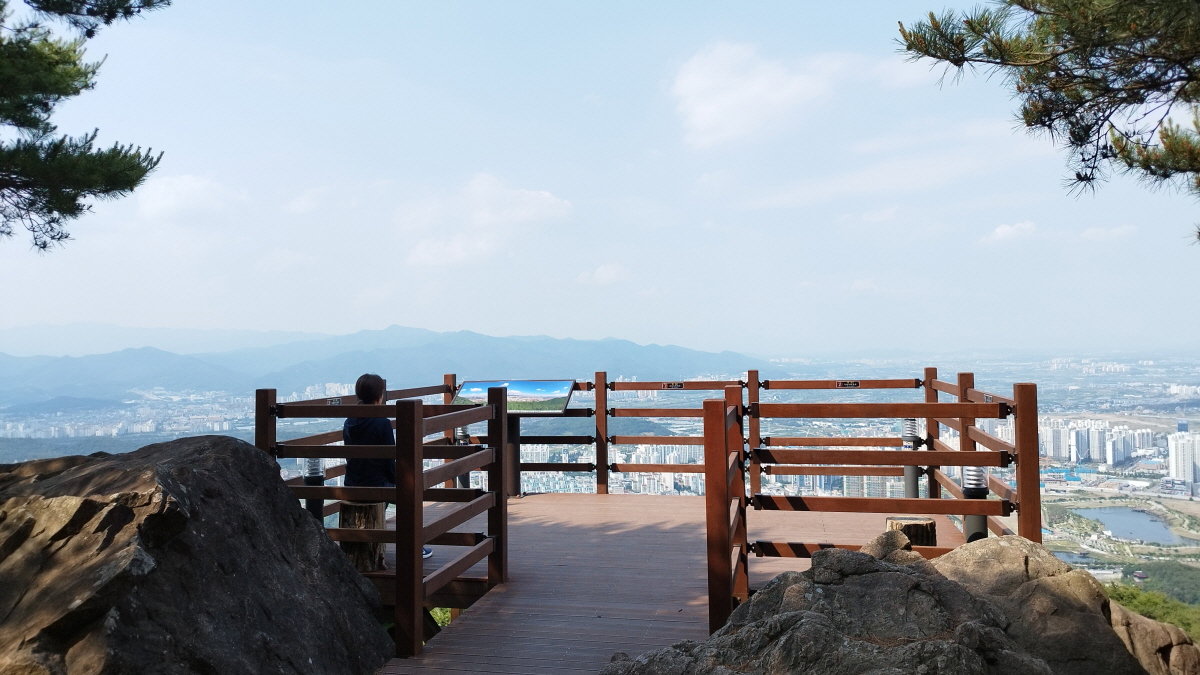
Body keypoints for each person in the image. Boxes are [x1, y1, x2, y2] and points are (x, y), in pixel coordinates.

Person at [344, 373, 432, 559]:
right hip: (376, 485)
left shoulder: (349, 421)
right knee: (410, 496)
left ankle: (365, 550)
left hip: (352, 484)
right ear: (380, 396)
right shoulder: (382, 423)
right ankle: (414, 547)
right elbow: (390, 460)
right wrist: (400, 482)